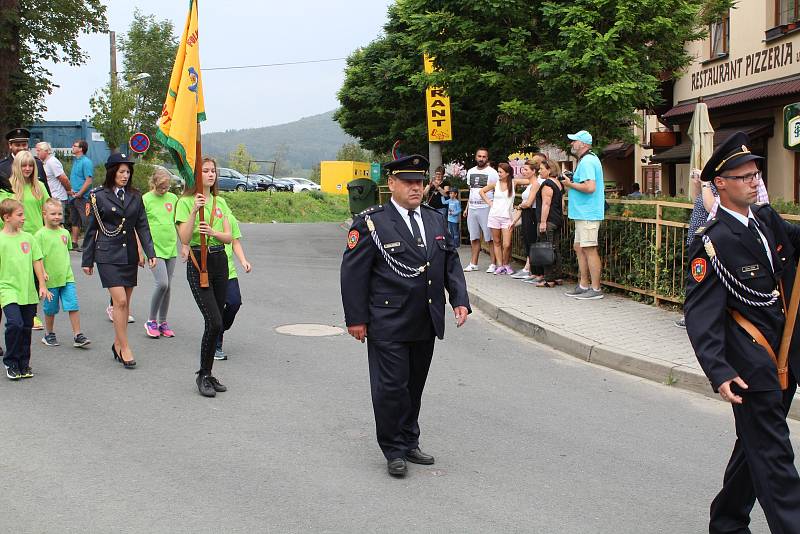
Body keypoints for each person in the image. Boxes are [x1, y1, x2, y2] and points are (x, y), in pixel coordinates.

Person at [684, 131, 800, 533]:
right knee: (773, 455)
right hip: (750, 362)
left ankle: (727, 521)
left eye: (756, 174)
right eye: (746, 176)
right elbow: (701, 314)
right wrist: (718, 369)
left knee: (755, 445)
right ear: (721, 183)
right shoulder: (712, 242)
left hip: (784, 357)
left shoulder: (766, 221)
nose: (756, 181)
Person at [340, 154, 471, 478]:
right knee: (391, 387)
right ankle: (393, 449)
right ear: (392, 183)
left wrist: (459, 299)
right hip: (388, 321)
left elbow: (449, 261)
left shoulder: (434, 219)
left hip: (425, 317)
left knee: (414, 386)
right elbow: (353, 274)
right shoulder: (372, 222)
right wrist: (356, 318)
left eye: (420, 182)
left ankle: (410, 440)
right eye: (409, 182)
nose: (416, 188)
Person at [82, 153, 156, 369]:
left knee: (125, 304)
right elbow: (91, 229)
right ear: (112, 172)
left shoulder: (135, 195)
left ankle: (117, 343)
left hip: (129, 255)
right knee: (120, 301)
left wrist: (150, 253)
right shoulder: (98, 195)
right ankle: (125, 347)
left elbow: (142, 225)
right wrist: (87, 259)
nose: (125, 176)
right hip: (106, 254)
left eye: (128, 172)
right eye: (121, 171)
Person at [175, 156, 233, 397]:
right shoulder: (186, 201)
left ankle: (208, 373)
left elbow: (229, 237)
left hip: (220, 261)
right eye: (205, 171)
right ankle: (202, 375)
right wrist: (195, 211)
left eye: (213, 171)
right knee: (215, 321)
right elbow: (185, 238)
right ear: (196, 176)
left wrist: (214, 232)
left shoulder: (221, 201)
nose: (211, 174)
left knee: (215, 322)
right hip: (200, 263)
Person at [0, 198, 51, 380]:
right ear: (7, 217)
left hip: (28, 290)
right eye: (19, 215)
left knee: (26, 328)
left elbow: (37, 260)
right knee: (15, 323)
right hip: (7, 289)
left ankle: (23, 363)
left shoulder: (28, 238)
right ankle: (11, 362)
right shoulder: (1, 239)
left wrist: (42, 285)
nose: (24, 218)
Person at [35, 198, 90, 348]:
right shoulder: (40, 235)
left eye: (59, 214)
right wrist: (43, 273)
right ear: (44, 214)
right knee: (50, 309)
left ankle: (77, 334)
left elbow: (65, 253)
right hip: (50, 280)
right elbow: (37, 258)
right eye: (53, 214)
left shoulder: (65, 233)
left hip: (67, 277)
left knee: (73, 305)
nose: (57, 217)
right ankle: (49, 334)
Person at [562, 130, 605, 300]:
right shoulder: (587, 160)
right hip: (583, 212)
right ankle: (583, 284)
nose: (572, 143)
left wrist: (570, 184)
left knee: (589, 249)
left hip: (588, 213)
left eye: (575, 141)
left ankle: (595, 289)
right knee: (579, 248)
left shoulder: (587, 161)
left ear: (584, 144)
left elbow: (590, 187)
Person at [142, 168, 179, 339]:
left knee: (168, 286)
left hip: (170, 247)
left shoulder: (173, 198)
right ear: (154, 184)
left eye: (167, 187)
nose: (164, 191)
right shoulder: (146, 199)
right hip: (154, 249)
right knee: (162, 283)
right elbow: (139, 226)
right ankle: (151, 321)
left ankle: (163, 322)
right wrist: (140, 251)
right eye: (161, 187)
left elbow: (178, 223)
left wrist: (184, 245)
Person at [215, 211, 252, 361]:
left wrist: (243, 261)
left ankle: (217, 330)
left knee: (234, 303)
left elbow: (235, 241)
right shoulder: (205, 215)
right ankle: (216, 345)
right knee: (216, 308)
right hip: (212, 270)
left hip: (229, 271)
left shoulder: (228, 217)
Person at [462, 148, 498, 273]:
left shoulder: (492, 172)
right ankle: (473, 263)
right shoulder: (470, 172)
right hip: (473, 208)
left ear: (487, 158)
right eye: (479, 156)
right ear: (476, 157)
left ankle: (493, 264)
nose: (481, 158)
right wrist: (467, 208)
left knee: (490, 238)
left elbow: (497, 191)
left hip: (486, 207)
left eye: (484, 156)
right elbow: (471, 191)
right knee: (474, 237)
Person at [511, 156, 546, 281]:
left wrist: (519, 205)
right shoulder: (530, 184)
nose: (523, 172)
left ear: (533, 171)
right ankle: (533, 271)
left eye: (526, 169)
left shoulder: (536, 184)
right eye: (523, 169)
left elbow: (529, 202)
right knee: (527, 241)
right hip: (526, 213)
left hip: (531, 213)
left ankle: (537, 272)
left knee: (532, 242)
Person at [532, 159, 564, 287]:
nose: (539, 171)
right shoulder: (558, 183)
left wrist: (543, 222)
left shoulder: (547, 184)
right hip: (557, 219)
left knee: (547, 249)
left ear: (549, 170)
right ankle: (558, 277)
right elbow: (562, 204)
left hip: (548, 221)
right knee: (555, 249)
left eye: (541, 169)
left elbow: (546, 204)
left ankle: (549, 279)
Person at [479, 162, 516, 275]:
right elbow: (481, 191)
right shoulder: (495, 184)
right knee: (497, 242)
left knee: (507, 244)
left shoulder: (514, 183)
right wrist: (490, 202)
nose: (499, 174)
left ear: (507, 173)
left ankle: (506, 264)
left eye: (500, 172)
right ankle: (500, 265)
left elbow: (531, 181)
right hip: (494, 215)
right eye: (498, 171)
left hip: (507, 217)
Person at [0, 128, 50, 197]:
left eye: (24, 145)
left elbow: (46, 190)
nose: (21, 148)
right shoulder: (2, 167)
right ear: (10, 145)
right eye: (17, 145)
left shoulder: (37, 164)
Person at [10, 150, 50, 235]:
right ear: (17, 166)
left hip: (37, 235)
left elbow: (48, 211)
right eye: (23, 165)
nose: (28, 169)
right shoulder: (8, 187)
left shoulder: (40, 186)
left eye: (31, 165)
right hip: (15, 236)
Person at [68, 139, 93, 252]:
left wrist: (80, 193)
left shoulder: (86, 162)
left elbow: (88, 180)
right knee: (75, 220)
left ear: (81, 149)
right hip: (74, 196)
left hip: (83, 198)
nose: (72, 147)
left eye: (75, 146)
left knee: (86, 221)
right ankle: (74, 242)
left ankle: (88, 244)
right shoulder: (76, 161)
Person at [35, 142, 72, 217]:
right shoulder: (45, 162)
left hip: (58, 198)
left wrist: (68, 190)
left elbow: (63, 178)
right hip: (51, 197)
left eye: (39, 150)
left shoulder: (52, 162)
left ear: (46, 151)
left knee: (57, 222)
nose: (37, 153)